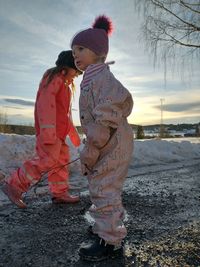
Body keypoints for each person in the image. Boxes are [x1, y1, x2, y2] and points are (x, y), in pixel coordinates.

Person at [71, 15, 134, 261]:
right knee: (100, 184)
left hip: (112, 141)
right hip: (106, 140)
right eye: (73, 50)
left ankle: (110, 241)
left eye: (81, 49)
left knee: (104, 187)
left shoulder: (101, 78)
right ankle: (105, 225)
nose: (75, 54)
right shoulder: (92, 76)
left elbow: (105, 116)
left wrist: (92, 148)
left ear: (98, 52)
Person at [2, 50, 82, 209]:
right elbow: (46, 106)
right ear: (65, 67)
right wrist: (47, 132)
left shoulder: (65, 86)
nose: (77, 75)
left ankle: (60, 193)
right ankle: (13, 185)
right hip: (50, 134)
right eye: (76, 70)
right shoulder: (53, 79)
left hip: (58, 134)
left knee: (60, 161)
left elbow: (64, 114)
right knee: (47, 160)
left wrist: (73, 133)